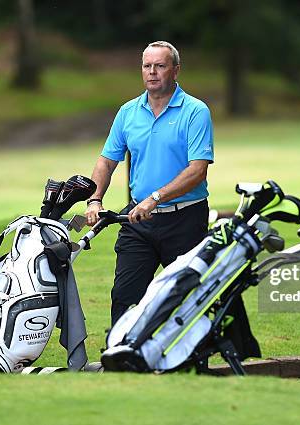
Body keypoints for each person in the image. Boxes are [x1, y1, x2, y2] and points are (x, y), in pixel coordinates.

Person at [85, 41, 214, 325]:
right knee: (124, 295)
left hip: (185, 220)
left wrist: (155, 198)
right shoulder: (128, 112)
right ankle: (120, 360)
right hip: (138, 221)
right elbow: (106, 161)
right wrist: (95, 199)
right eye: (147, 66)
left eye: (160, 66)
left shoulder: (195, 111)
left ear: (175, 70)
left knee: (186, 299)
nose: (152, 72)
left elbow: (197, 170)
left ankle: (190, 362)